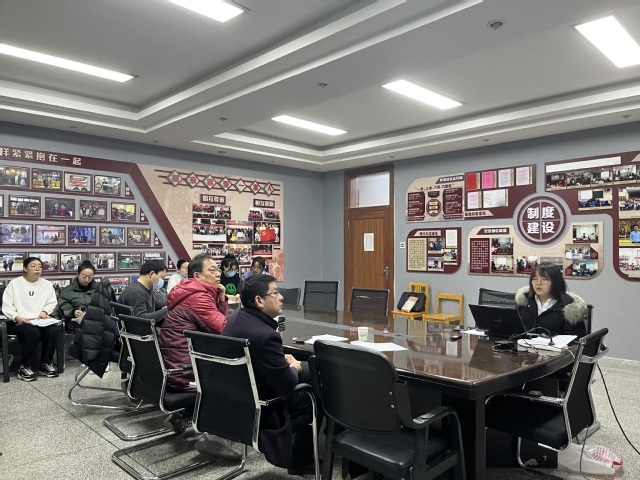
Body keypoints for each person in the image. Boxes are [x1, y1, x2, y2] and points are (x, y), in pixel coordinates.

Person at [222, 275, 316, 475]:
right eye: (275, 292)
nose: (281, 297)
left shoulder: (236, 318)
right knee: (315, 385)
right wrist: (294, 367)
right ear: (259, 300)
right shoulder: (266, 336)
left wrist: (280, 360)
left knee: (311, 370)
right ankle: (300, 459)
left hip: (236, 402)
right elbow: (287, 385)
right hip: (264, 409)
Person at [158, 254, 239, 459]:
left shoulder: (188, 292)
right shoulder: (199, 298)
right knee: (239, 372)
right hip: (185, 372)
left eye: (217, 269)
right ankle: (215, 436)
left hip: (174, 366)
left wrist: (221, 299)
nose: (218, 273)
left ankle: (183, 414)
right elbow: (223, 330)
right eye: (212, 270)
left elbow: (214, 325)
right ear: (197, 275)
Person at [1, 257, 60, 381]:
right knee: (33, 332)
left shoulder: (46, 284)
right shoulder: (15, 284)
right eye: (33, 266)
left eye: (40, 266)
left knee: (52, 330)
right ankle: (24, 367)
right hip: (18, 321)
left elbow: (52, 303)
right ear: (25, 268)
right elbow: (7, 306)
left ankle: (46, 364)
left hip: (39, 320)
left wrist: (44, 312)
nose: (37, 269)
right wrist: (16, 317)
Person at [515, 262, 587, 337]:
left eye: (544, 279)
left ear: (556, 282)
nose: (538, 283)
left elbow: (575, 341)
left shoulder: (570, 309)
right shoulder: (524, 302)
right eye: (535, 279)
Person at [57, 261, 97, 332]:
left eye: (90, 277)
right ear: (78, 274)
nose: (87, 280)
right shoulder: (67, 291)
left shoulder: (100, 289)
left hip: (98, 320)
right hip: (78, 323)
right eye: (84, 276)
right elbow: (64, 307)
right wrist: (73, 312)